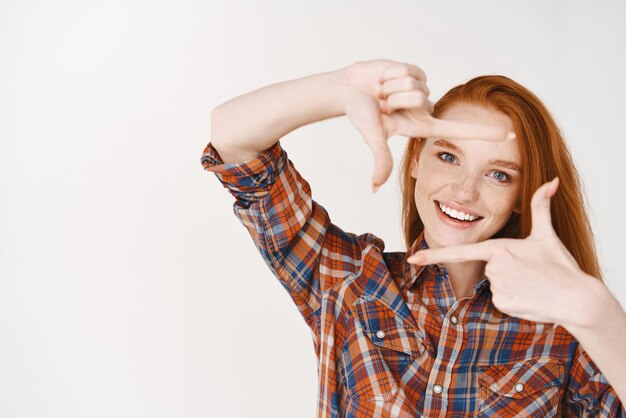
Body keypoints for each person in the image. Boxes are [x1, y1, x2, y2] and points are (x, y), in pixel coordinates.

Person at [201, 59, 626, 417]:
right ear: (416, 160)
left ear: (521, 195)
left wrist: (597, 312)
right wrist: (343, 87)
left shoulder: (566, 329)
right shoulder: (349, 280)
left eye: (499, 174)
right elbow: (233, 140)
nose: (464, 190)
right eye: (448, 156)